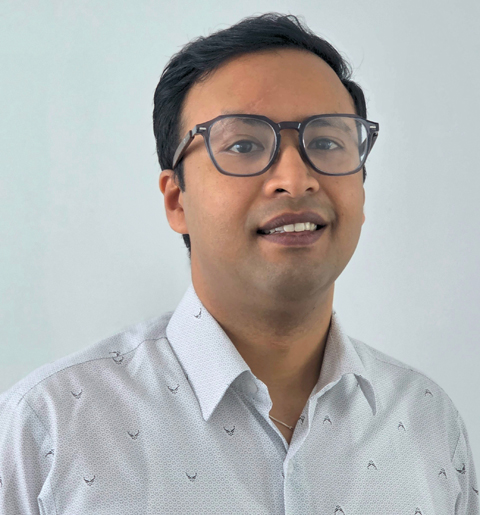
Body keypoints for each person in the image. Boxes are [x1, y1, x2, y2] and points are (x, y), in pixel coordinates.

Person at [0, 12, 478, 515]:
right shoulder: (49, 429)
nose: (295, 179)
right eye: (245, 145)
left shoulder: (427, 422)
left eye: (326, 142)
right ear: (177, 201)